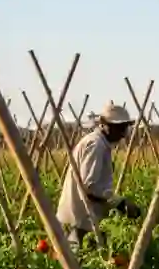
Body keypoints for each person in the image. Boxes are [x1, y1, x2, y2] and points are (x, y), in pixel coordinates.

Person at [56, 101, 142, 249]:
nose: (123, 133)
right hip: (80, 219)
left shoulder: (100, 143)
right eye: (118, 127)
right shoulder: (96, 145)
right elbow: (89, 187)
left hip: (83, 218)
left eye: (124, 127)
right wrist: (121, 203)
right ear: (103, 124)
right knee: (77, 261)